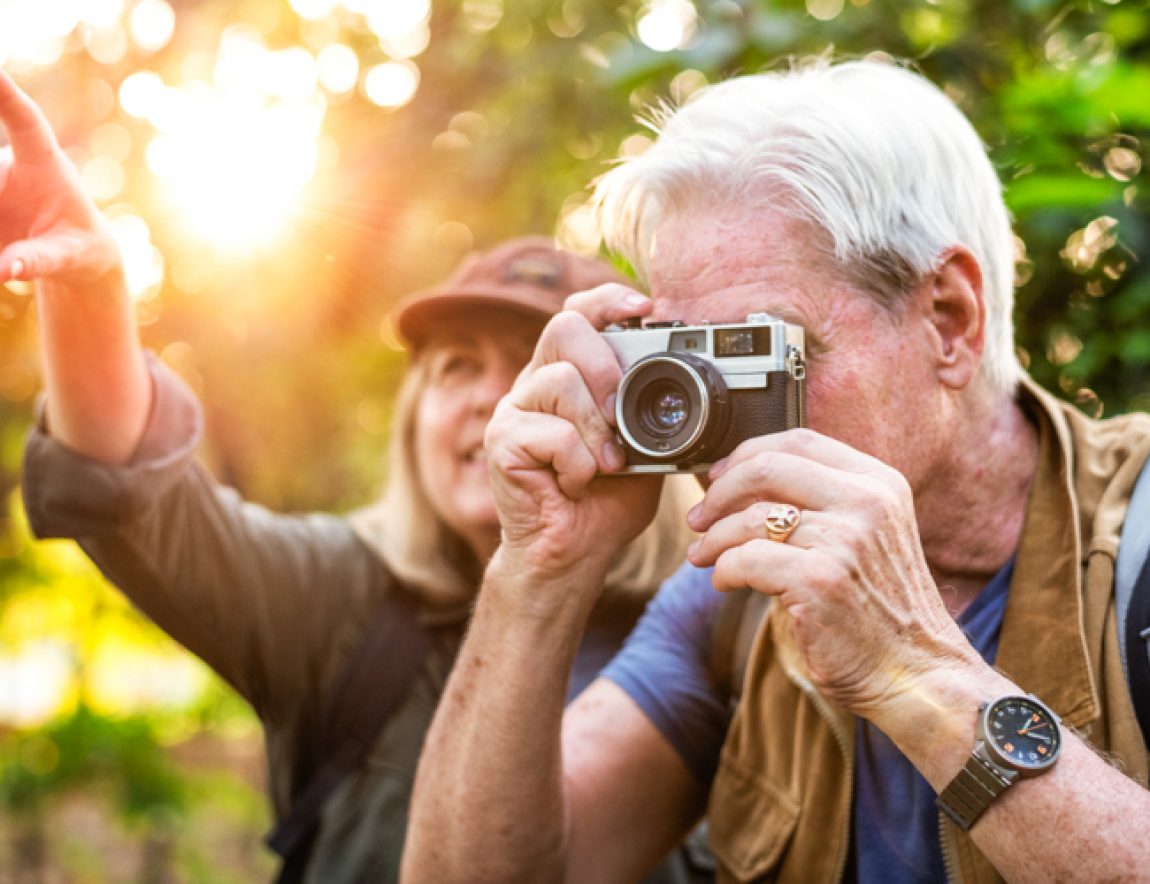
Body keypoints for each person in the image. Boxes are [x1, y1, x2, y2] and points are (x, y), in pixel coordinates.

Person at [402, 56, 1150, 883]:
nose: (723, 435)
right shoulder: (735, 598)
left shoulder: (1137, 546)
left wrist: (919, 673)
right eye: (690, 360)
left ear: (949, 319)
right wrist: (536, 568)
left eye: (767, 357)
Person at [0, 69, 702, 882]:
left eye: (531, 364)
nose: (489, 400)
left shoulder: (701, 634)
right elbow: (130, 495)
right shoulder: (337, 600)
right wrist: (93, 291)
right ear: (413, 418)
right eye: (454, 368)